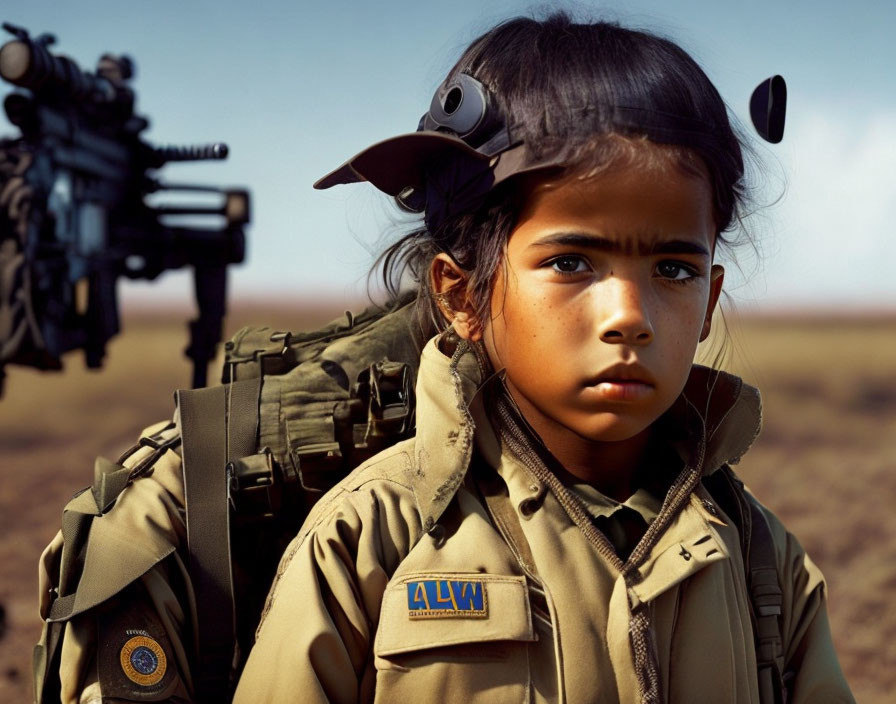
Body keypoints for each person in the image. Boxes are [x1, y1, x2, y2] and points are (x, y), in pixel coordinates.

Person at [229, 11, 854, 704]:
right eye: (571, 261)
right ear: (462, 295)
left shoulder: (760, 558)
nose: (629, 318)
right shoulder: (371, 541)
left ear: (710, 302)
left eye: (673, 270)